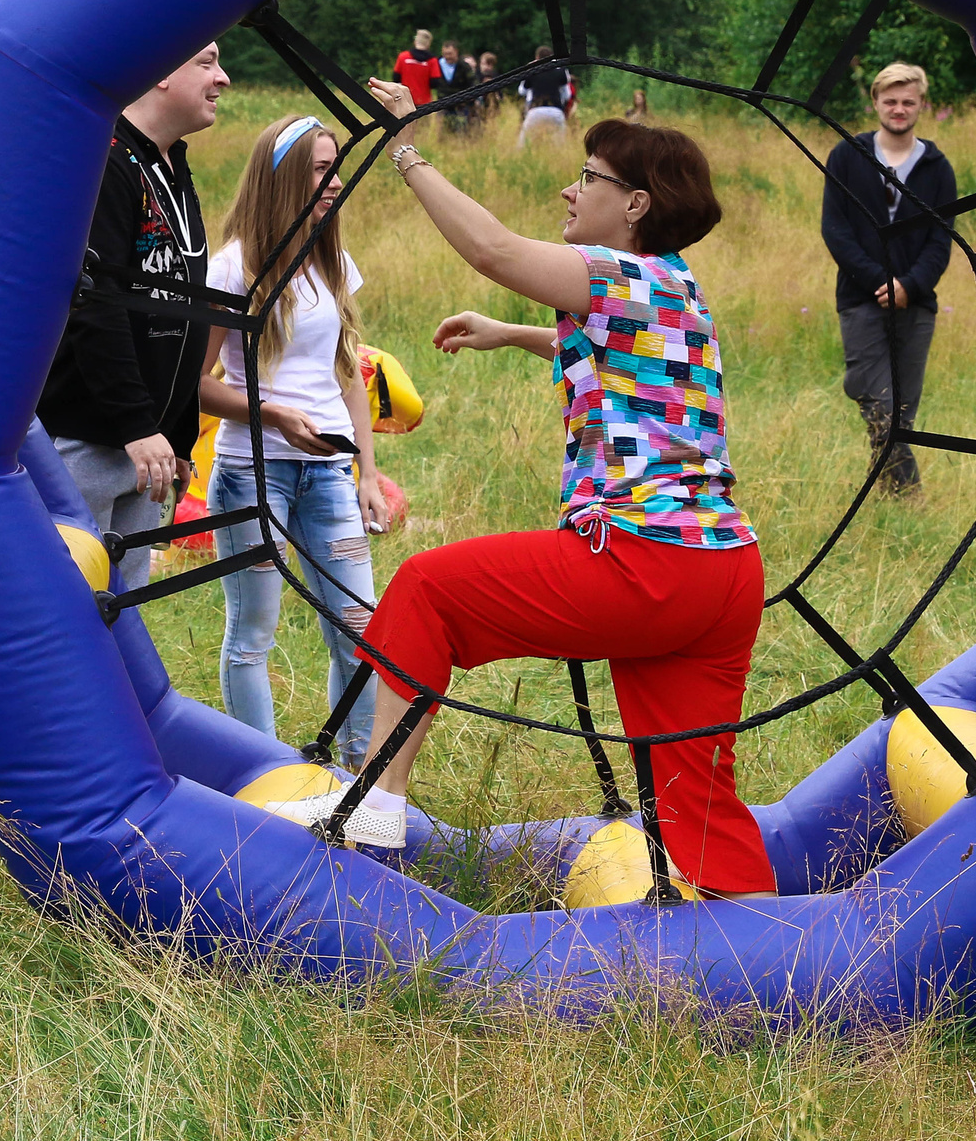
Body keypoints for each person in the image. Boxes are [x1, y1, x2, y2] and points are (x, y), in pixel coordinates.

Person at [262, 85, 776, 901]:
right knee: (695, 790)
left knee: (428, 589)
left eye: (588, 176)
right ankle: (764, 952)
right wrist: (512, 334)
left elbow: (495, 251)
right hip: (724, 572)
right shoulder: (675, 286)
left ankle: (374, 804)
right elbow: (627, 358)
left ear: (635, 203)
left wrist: (408, 149)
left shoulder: (614, 271)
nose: (570, 190)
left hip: (645, 561)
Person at [198, 115, 391, 765]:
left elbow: (350, 373)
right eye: (319, 168)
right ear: (282, 177)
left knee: (362, 631)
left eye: (336, 167)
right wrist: (273, 413)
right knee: (253, 634)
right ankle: (267, 779)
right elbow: (198, 385)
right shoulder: (233, 266)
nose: (334, 182)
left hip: (330, 471)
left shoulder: (332, 258)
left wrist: (367, 472)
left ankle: (356, 780)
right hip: (253, 471)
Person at [39, 44, 230, 591]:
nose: (223, 78)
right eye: (207, 61)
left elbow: (178, 307)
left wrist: (178, 433)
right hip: (94, 439)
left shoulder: (171, 162)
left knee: (127, 614)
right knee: (73, 606)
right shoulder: (105, 160)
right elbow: (94, 304)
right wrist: (138, 425)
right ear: (161, 71)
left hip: (151, 445)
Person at [818, 63, 957, 494]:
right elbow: (835, 229)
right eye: (891, 101)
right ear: (876, 102)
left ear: (922, 106)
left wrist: (909, 286)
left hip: (916, 305)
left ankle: (883, 499)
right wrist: (880, 282)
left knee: (900, 417)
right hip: (861, 299)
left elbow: (941, 240)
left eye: (908, 102)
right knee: (878, 402)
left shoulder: (937, 167)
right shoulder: (847, 156)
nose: (899, 109)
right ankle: (911, 498)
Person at [516, 45, 576, 146]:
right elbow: (567, 95)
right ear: (552, 57)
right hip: (556, 110)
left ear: (537, 58)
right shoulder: (561, 71)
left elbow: (522, 91)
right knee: (560, 145)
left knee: (523, 144)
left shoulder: (532, 70)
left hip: (535, 110)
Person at [393, 29, 442, 109]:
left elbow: (396, 78)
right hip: (424, 103)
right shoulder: (432, 60)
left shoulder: (403, 57)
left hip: (405, 101)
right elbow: (435, 82)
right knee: (424, 121)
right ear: (428, 43)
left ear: (415, 41)